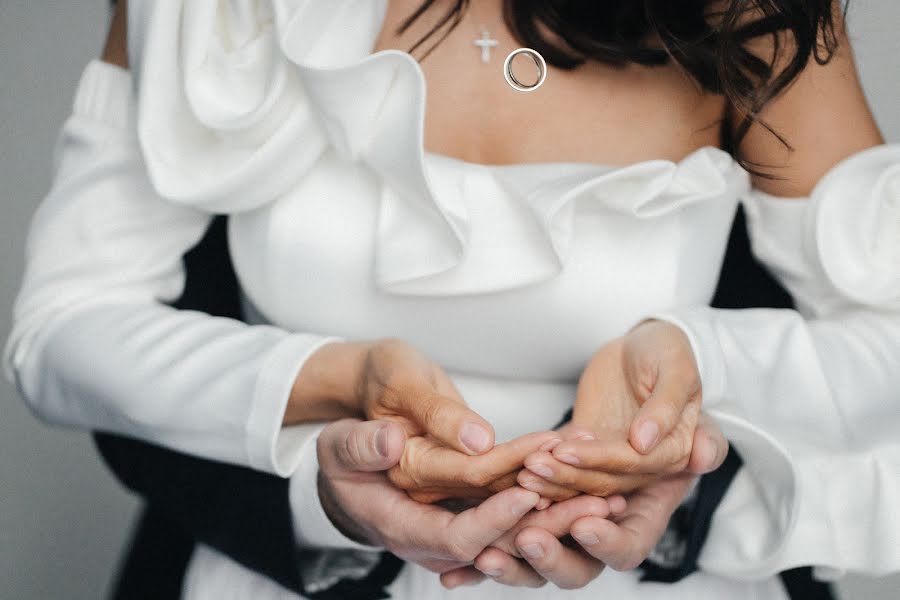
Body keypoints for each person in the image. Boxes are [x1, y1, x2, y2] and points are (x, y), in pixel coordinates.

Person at [4, 0, 899, 598]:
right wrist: (324, 385)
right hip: (273, 574)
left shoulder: (749, 11)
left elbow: (885, 337)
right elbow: (61, 330)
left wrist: (697, 369)